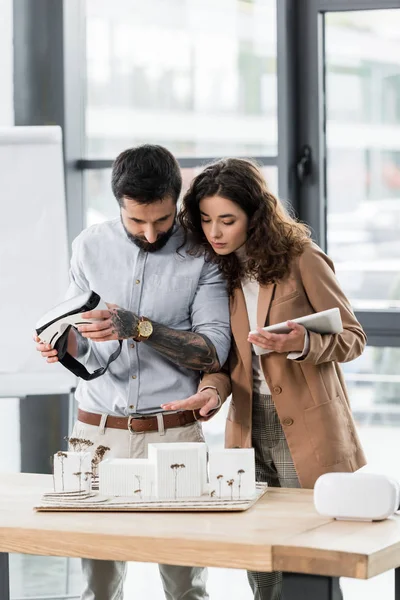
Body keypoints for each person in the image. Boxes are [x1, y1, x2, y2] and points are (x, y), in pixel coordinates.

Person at [162, 157, 367, 600]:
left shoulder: (302, 259)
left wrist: (300, 343)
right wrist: (210, 392)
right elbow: (221, 361)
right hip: (246, 427)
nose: (215, 232)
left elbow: (353, 338)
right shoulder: (219, 273)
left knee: (309, 555)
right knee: (258, 559)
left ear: (254, 216)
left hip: (307, 426)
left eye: (227, 220)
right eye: (206, 220)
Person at [35, 145, 231, 600]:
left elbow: (214, 350)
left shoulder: (203, 254)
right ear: (118, 204)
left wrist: (139, 328)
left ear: (176, 201)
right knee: (98, 584)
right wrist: (64, 344)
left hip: (174, 435)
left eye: (161, 221)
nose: (148, 233)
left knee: (186, 585)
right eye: (135, 221)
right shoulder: (89, 246)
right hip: (95, 433)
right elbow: (81, 333)